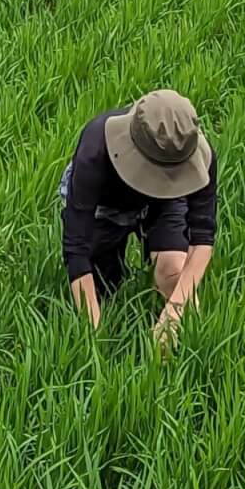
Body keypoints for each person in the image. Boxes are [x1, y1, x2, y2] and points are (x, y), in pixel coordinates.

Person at [61, 90, 216, 348]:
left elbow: (202, 238)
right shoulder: (95, 147)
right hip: (107, 202)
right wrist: (96, 342)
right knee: (103, 290)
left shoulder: (194, 155)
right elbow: (76, 247)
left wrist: (174, 311)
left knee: (172, 273)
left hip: (169, 198)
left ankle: (195, 353)